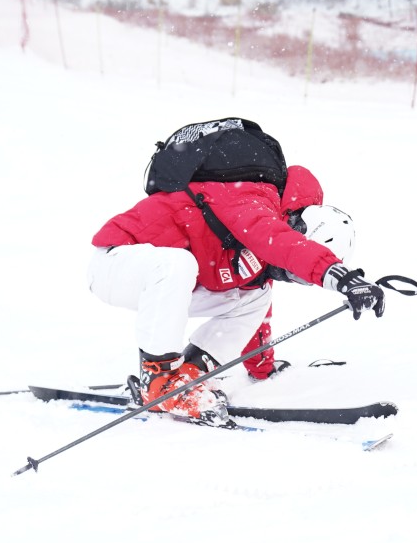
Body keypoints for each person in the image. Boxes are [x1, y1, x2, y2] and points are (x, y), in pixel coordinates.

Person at [87, 146, 385, 427]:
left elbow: (256, 316)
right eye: (297, 271)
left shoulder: (261, 252)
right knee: (177, 264)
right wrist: (341, 277)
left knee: (254, 295)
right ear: (298, 229)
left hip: (165, 284)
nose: (291, 275)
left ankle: (187, 376)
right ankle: (160, 382)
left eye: (299, 278)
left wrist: (263, 368)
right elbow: (281, 244)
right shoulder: (253, 198)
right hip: (117, 263)